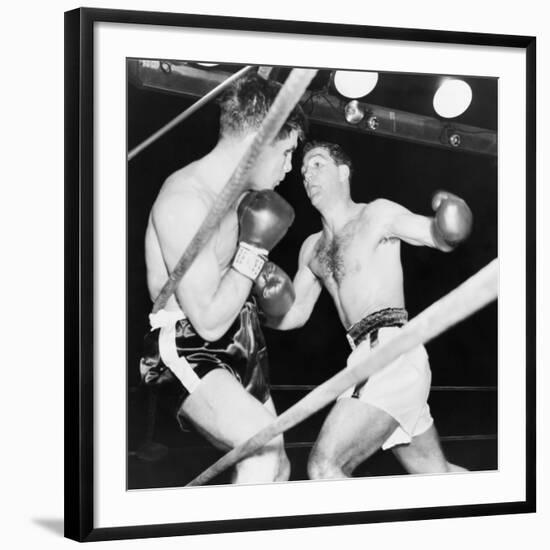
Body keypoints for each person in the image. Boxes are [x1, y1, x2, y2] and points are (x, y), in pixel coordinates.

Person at [268, 140, 473, 479]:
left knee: (324, 467)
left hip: (391, 353)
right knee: (438, 476)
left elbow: (434, 236)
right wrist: (259, 307)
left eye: (317, 164)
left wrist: (450, 222)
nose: (307, 175)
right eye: (304, 171)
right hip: (362, 356)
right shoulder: (312, 248)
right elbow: (294, 315)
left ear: (344, 172)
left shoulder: (375, 214)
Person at [139, 72, 307, 484]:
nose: (289, 167)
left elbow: (229, 284)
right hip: (190, 342)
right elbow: (209, 321)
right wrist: (253, 254)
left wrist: (258, 274)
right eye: (285, 152)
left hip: (242, 337)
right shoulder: (185, 201)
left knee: (279, 467)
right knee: (261, 454)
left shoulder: (240, 202)